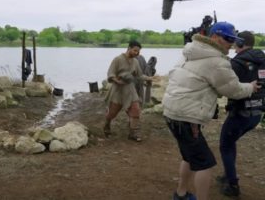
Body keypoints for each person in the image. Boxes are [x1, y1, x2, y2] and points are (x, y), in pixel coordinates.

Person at [162, 22, 260, 200]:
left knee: (189, 156)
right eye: (228, 39)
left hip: (171, 111)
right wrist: (251, 87)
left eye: (234, 40)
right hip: (187, 116)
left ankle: (181, 194)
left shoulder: (190, 51)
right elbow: (233, 90)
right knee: (205, 164)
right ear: (215, 37)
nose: (231, 43)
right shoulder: (217, 61)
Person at [218, 31, 265, 197]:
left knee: (225, 144)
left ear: (240, 43)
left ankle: (232, 185)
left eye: (235, 42)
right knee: (231, 143)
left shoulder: (237, 62)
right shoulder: (262, 59)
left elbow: (228, 87)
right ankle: (227, 174)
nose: (233, 46)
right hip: (257, 113)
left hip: (240, 113)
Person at [104, 40, 154, 142]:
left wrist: (149, 78)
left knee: (136, 110)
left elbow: (139, 75)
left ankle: (133, 133)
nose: (137, 53)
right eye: (135, 51)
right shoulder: (117, 59)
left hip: (130, 89)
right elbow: (110, 73)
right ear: (129, 48)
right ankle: (107, 124)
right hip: (118, 90)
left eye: (138, 52)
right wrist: (115, 80)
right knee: (112, 113)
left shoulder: (135, 62)